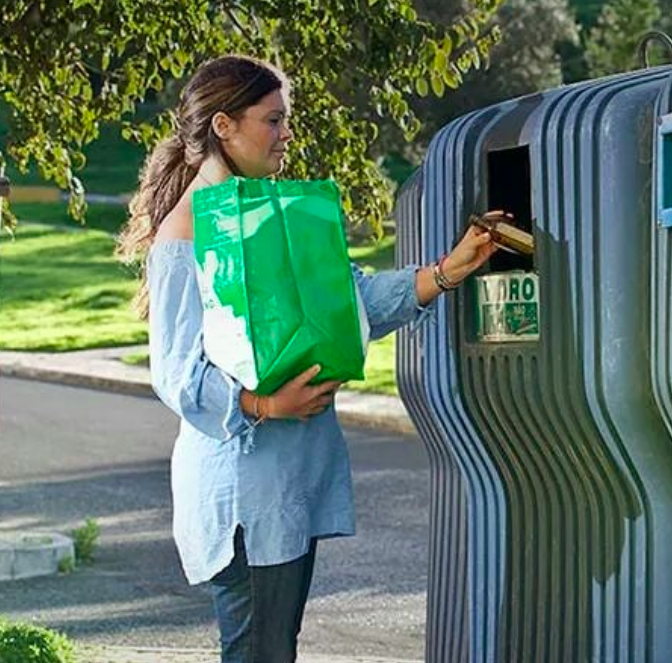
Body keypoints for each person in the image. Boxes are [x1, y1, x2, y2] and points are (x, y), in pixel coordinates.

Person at [117, 55, 501, 663]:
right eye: (273, 120)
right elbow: (176, 374)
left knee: (275, 649)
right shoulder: (186, 233)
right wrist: (265, 404)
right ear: (224, 126)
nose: (286, 134)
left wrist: (447, 271)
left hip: (288, 480)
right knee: (258, 652)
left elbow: (345, 305)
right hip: (243, 492)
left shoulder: (271, 211)